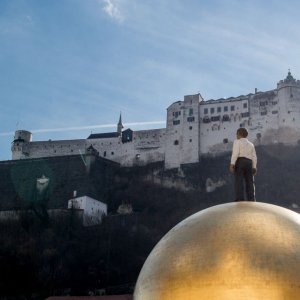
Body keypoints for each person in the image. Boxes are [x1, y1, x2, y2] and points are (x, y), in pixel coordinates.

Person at [229, 128, 257, 201]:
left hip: (240, 161)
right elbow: (254, 157)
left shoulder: (237, 142)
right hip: (249, 162)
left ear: (239, 134)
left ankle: (240, 199)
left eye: (237, 134)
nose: (236, 136)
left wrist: (232, 164)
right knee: (250, 182)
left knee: (239, 181)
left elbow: (235, 153)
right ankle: (251, 199)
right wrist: (254, 167)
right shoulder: (251, 144)